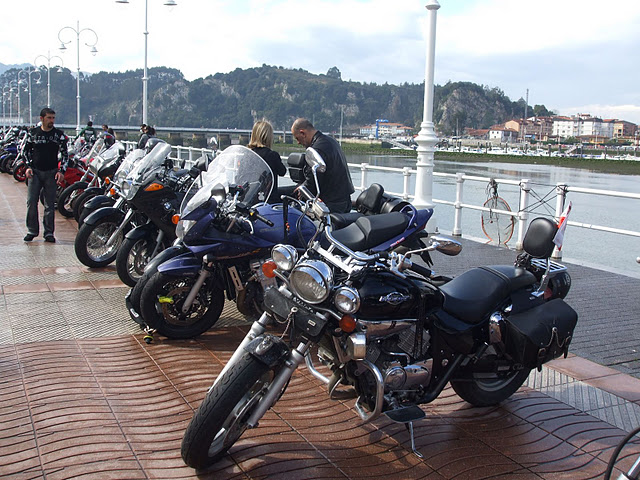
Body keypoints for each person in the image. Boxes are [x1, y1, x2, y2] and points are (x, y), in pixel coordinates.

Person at [23, 107, 69, 243]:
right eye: (49, 118)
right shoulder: (33, 133)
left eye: (53, 118)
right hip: (35, 172)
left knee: (49, 205)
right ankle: (32, 231)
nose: (51, 121)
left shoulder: (59, 135)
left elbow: (65, 154)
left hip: (51, 173)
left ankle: (49, 233)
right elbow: (25, 151)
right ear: (42, 118)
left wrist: (61, 171)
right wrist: (28, 167)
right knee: (31, 202)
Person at [291, 118, 354, 213]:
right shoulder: (331, 141)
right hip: (343, 199)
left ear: (302, 133)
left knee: (294, 211)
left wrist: (301, 190)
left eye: (297, 138)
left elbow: (313, 181)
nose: (298, 142)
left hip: (330, 202)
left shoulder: (316, 150)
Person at [248, 120, 286, 203]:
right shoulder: (272, 155)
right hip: (269, 198)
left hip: (250, 198)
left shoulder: (248, 154)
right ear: (268, 137)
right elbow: (282, 172)